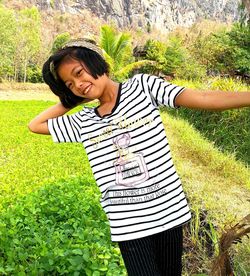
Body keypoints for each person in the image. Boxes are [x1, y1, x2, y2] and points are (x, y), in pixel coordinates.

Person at [28, 38, 250, 276]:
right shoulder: (84, 121)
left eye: (80, 73)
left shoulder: (142, 87)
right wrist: (73, 100)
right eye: (69, 84)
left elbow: (203, 99)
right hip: (129, 225)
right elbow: (35, 124)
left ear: (97, 62)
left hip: (167, 211)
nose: (78, 84)